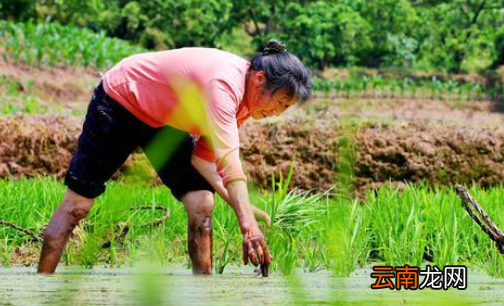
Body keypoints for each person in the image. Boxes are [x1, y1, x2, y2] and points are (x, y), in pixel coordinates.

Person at [37, 39, 313, 275]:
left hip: (163, 121)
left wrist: (242, 208)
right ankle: (42, 284)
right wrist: (249, 228)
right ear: (260, 79)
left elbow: (204, 160)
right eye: (279, 103)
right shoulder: (224, 85)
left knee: (202, 202)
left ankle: (202, 291)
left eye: (286, 108)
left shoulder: (244, 104)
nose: (277, 113)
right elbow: (230, 161)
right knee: (78, 204)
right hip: (121, 100)